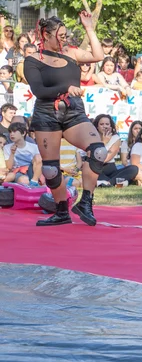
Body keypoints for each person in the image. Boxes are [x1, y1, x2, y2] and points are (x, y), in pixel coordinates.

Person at [23, 14, 108, 227]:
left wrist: (89, 28)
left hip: (73, 112)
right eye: (60, 36)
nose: (64, 39)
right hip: (46, 114)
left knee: (98, 151)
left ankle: (85, 202)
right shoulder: (33, 60)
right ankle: (61, 211)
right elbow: (39, 90)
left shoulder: (71, 52)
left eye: (65, 35)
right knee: (51, 170)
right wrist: (66, 88)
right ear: (46, 35)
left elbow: (98, 55)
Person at [90, 114, 138, 186]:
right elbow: (94, 158)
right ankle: (114, 182)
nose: (105, 126)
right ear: (97, 126)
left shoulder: (115, 138)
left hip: (110, 168)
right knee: (92, 173)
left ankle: (108, 183)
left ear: (111, 126)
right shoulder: (92, 138)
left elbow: (106, 158)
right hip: (97, 169)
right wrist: (104, 142)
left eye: (107, 124)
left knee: (133, 169)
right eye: (102, 124)